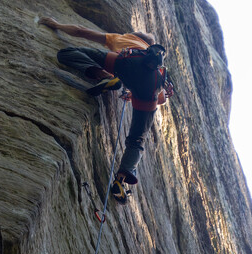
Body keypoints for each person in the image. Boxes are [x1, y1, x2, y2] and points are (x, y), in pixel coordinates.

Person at [39, 16, 172, 204]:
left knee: (68, 53)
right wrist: (136, 95)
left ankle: (102, 75)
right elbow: (160, 98)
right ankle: (120, 180)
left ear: (132, 36)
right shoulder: (159, 70)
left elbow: (80, 31)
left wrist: (57, 25)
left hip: (126, 63)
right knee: (136, 140)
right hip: (150, 89)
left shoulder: (122, 39)